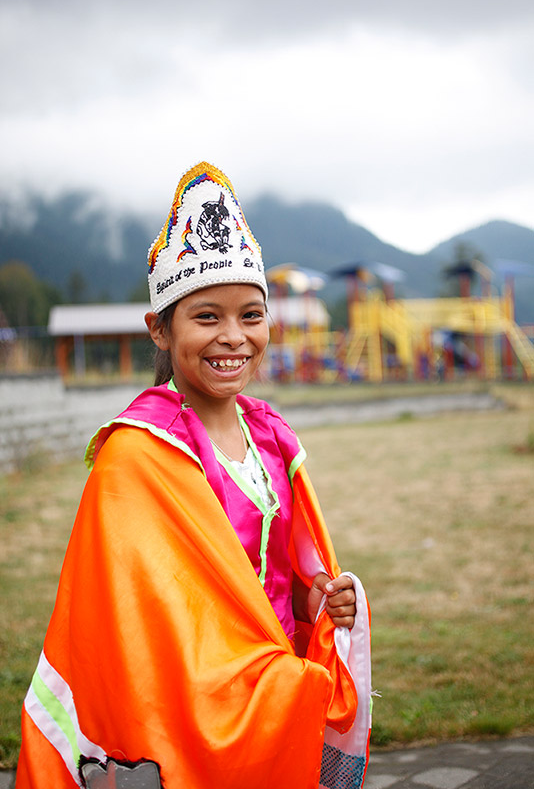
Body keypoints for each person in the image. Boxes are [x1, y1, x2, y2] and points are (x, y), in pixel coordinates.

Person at [16, 162, 372, 789]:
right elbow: (120, 620)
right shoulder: (136, 456)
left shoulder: (273, 440)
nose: (234, 338)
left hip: (269, 705)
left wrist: (322, 602)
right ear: (160, 327)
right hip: (180, 715)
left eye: (251, 315)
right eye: (206, 317)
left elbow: (287, 577)